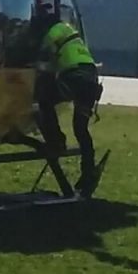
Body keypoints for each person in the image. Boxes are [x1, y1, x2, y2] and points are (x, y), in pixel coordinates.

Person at [35, 10, 104, 198]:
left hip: (74, 77)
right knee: (81, 129)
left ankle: (56, 140)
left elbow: (41, 59)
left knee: (44, 99)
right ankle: (88, 170)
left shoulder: (52, 33)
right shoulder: (71, 32)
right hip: (91, 79)